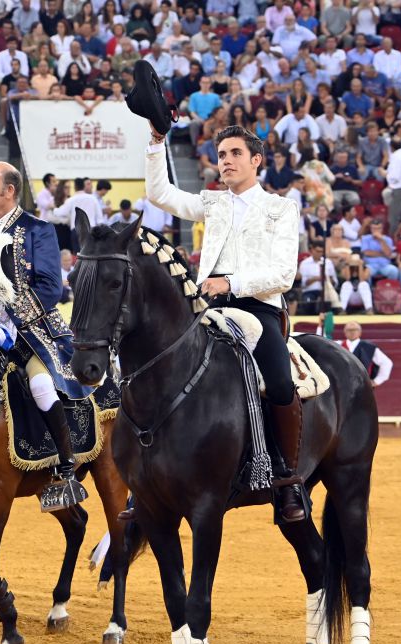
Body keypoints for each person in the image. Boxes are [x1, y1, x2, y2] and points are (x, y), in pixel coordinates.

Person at [144, 122, 307, 523]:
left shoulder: (281, 208)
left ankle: (287, 479)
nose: (226, 161)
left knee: (280, 381)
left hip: (258, 309)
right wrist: (155, 142)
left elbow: (283, 275)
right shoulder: (213, 202)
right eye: (221, 155)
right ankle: (145, 473)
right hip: (207, 308)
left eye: (235, 154)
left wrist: (230, 282)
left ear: (256, 161)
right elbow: (159, 194)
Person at [0, 161, 96, 510]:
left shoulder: (38, 229)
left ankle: (65, 464)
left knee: (41, 385)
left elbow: (50, 288)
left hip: (34, 331)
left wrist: (11, 320)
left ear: (9, 191)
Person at [340, 321, 393, 387]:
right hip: (341, 386)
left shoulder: (370, 348)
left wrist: (376, 381)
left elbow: (387, 363)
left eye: (355, 330)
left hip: (362, 386)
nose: (352, 332)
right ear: (345, 332)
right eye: (349, 330)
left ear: (360, 332)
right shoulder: (338, 346)